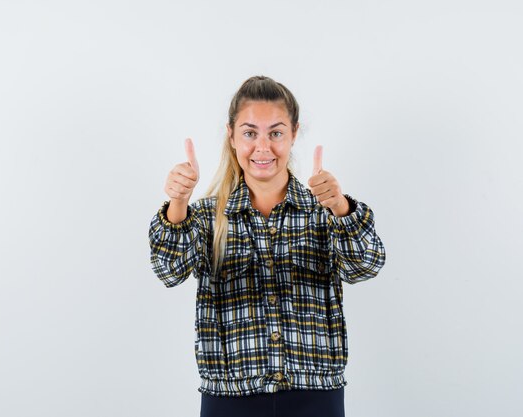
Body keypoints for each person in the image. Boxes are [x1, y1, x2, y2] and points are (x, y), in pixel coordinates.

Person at [148, 75, 386, 417]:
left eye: (275, 133)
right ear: (231, 135)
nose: (262, 148)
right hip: (229, 397)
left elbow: (367, 265)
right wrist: (178, 202)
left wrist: (341, 208)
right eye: (250, 133)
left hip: (315, 396)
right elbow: (168, 271)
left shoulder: (324, 212)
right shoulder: (204, 217)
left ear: (294, 134)